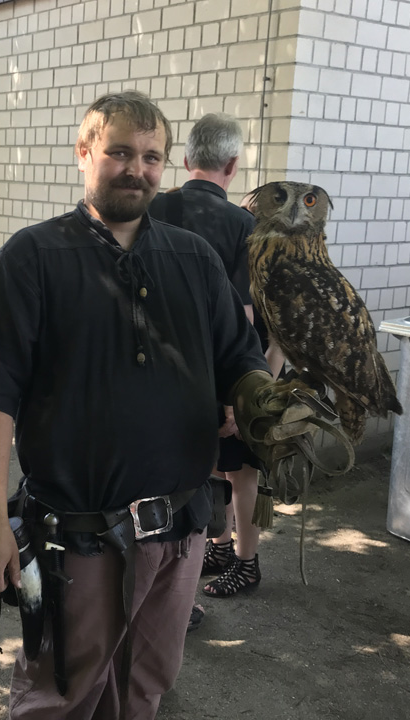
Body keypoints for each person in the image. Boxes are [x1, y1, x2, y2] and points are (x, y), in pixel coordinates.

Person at [0, 91, 297, 719]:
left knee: (146, 685)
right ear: (84, 154)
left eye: (152, 157)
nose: (137, 169)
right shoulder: (35, 257)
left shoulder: (193, 258)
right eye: (120, 153)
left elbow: (239, 355)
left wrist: (253, 401)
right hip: (82, 536)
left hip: (184, 529)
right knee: (63, 692)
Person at [149, 113, 265, 599]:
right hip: (223, 376)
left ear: (185, 159)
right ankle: (241, 558)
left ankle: (214, 549)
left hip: (161, 375)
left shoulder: (152, 210)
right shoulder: (247, 226)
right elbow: (243, 318)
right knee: (238, 472)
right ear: (233, 166)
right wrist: (234, 397)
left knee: (191, 470)